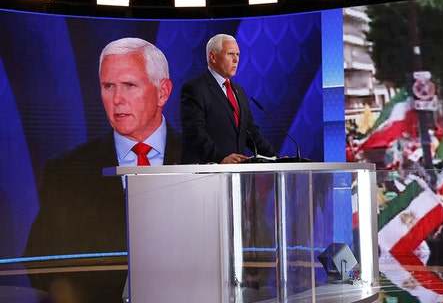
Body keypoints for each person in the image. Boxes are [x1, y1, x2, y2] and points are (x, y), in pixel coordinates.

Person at [23, 37, 182, 303]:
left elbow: (248, 249)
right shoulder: (67, 171)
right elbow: (40, 262)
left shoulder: (206, 158)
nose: (117, 99)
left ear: (163, 92)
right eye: (108, 86)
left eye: (129, 85)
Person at [180, 33, 277, 164]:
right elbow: (195, 132)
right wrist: (220, 158)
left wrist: (276, 158)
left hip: (236, 174)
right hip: (206, 174)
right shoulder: (195, 88)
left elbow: (251, 132)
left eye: (237, 54)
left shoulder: (239, 91)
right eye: (230, 54)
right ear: (213, 57)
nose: (236, 60)